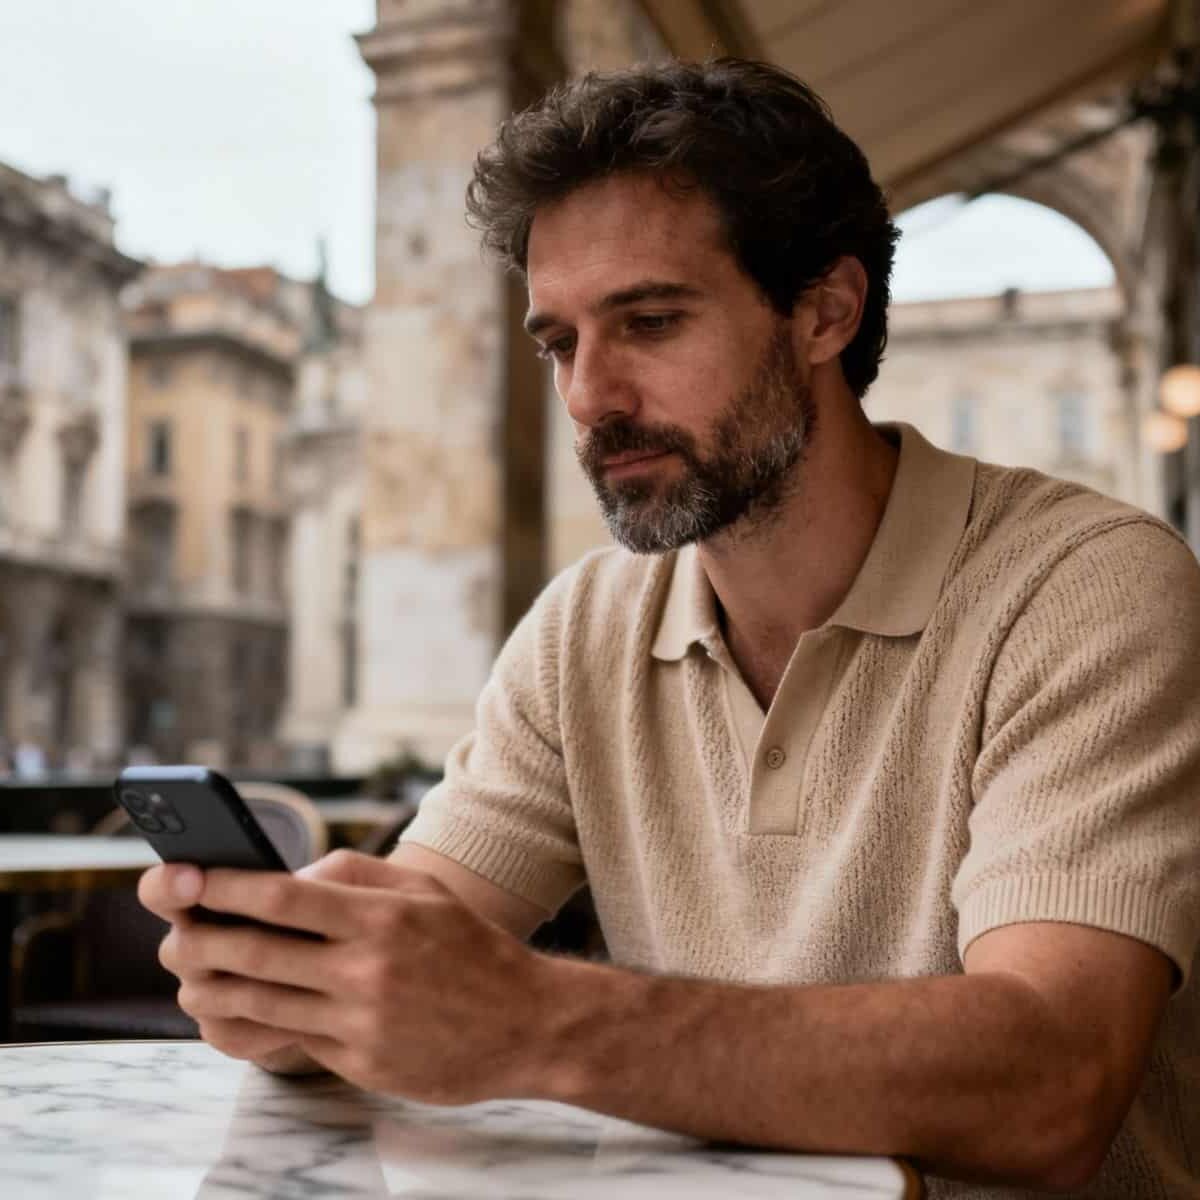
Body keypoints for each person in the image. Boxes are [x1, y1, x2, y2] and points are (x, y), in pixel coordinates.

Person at [139, 58, 1200, 1197]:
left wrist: (540, 1021)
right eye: (559, 344)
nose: (592, 395)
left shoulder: (1087, 586)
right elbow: (421, 939)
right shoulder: (586, 628)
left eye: (648, 321)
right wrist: (295, 985)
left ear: (824, 311)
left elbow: (1052, 1082)